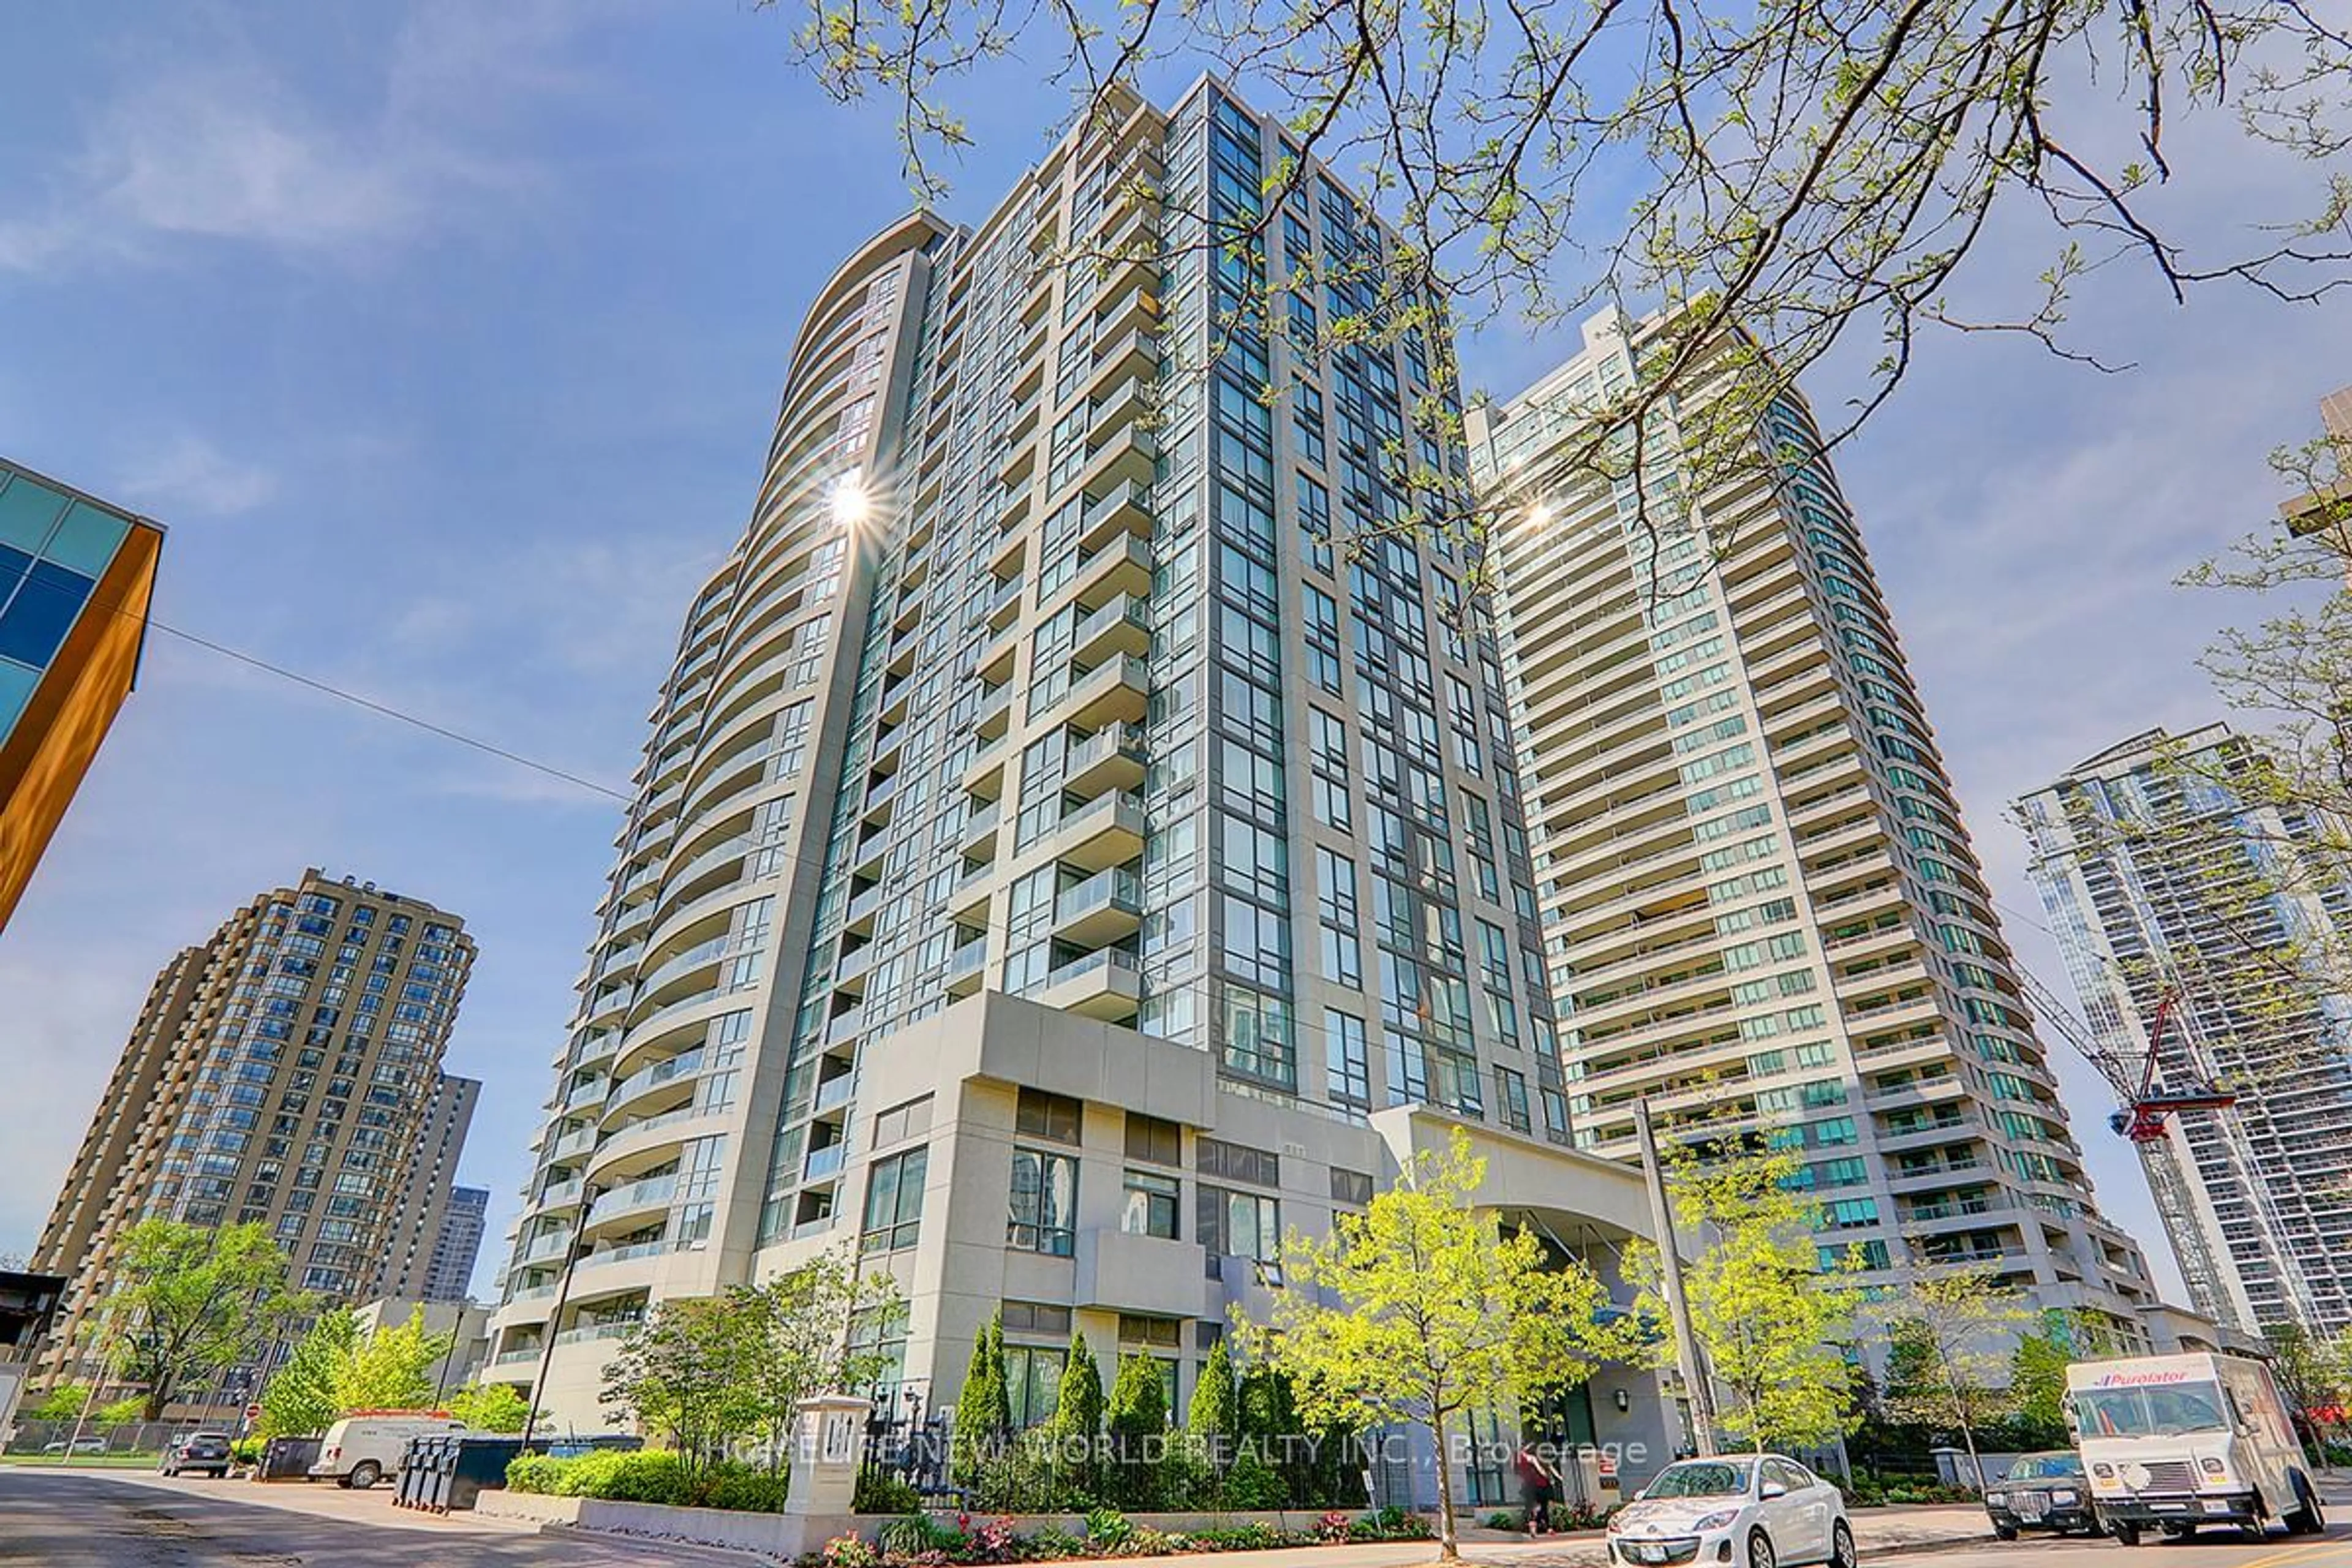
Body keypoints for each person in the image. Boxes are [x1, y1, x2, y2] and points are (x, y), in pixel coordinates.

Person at [1515, 1441, 1556, 1535]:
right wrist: (1548, 1477)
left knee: (1531, 1507)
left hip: (1527, 1485)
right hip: (1539, 1484)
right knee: (1543, 1506)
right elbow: (1540, 1470)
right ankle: (1546, 1527)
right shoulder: (1531, 1458)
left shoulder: (1518, 1459)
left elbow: (1516, 1471)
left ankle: (1534, 1527)